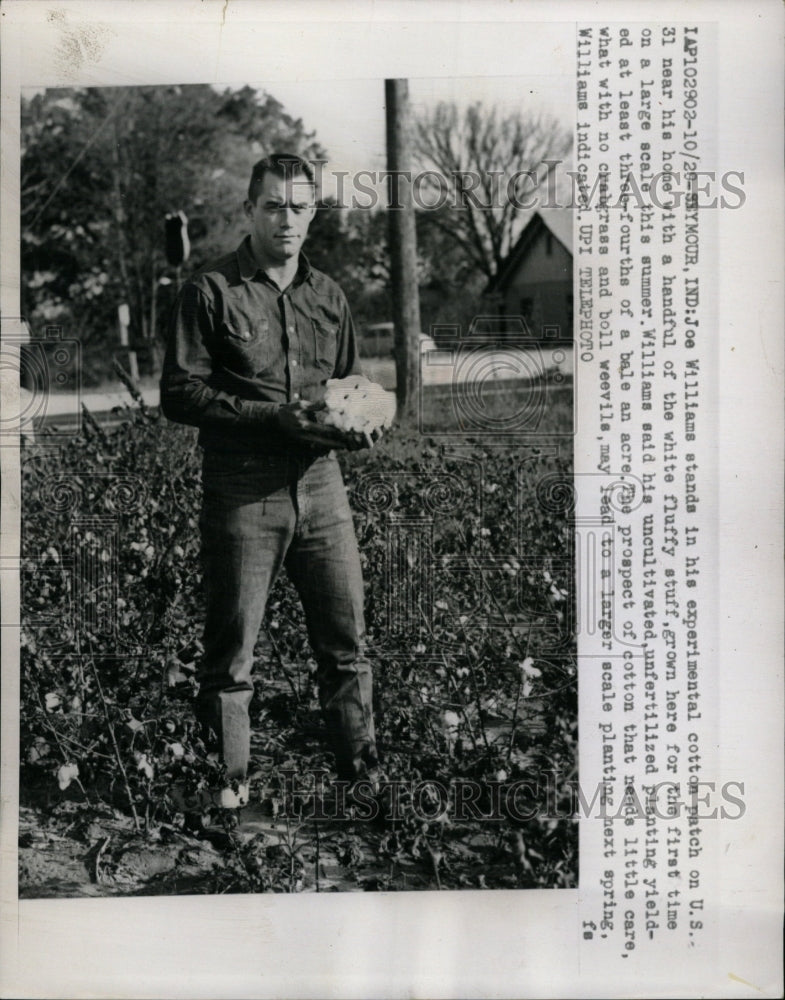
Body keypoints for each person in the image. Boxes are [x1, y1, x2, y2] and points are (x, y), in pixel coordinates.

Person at [160, 153, 380, 810]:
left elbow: (351, 386)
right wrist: (271, 418)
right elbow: (178, 393)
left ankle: (360, 775)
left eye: (299, 207)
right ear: (250, 210)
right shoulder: (209, 291)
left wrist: (363, 418)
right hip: (242, 490)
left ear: (313, 214)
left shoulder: (328, 295)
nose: (286, 219)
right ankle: (228, 789)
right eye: (273, 206)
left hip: (322, 488)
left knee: (346, 643)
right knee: (232, 658)